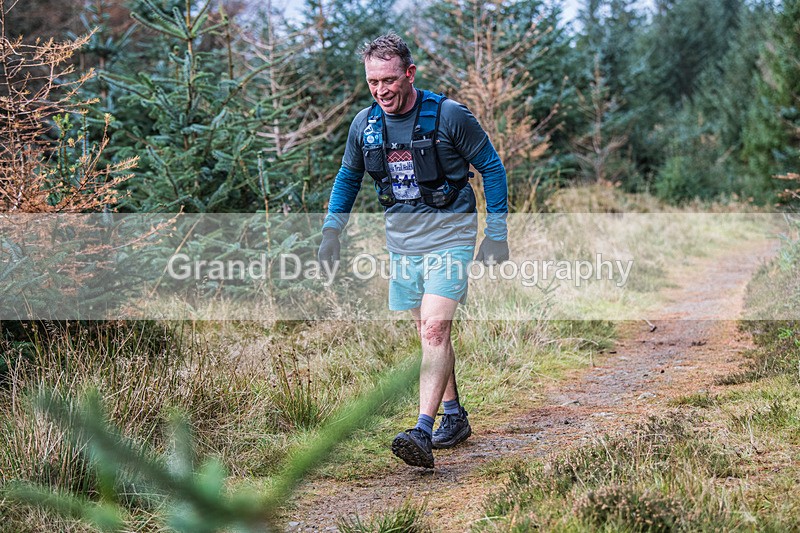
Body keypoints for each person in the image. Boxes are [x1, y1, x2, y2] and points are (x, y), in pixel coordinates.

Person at [317, 33, 509, 469]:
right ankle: (454, 416)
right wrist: (332, 230)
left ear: (409, 73)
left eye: (389, 79)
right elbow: (348, 178)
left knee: (434, 331)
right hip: (402, 242)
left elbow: (492, 167)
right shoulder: (364, 125)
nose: (381, 90)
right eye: (372, 82)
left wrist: (495, 233)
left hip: (451, 235)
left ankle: (421, 429)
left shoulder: (449, 116)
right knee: (428, 331)